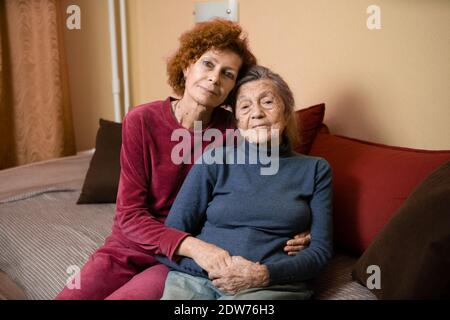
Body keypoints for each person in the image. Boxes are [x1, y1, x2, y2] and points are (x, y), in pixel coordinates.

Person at [56, 19, 309, 300]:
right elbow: (129, 215)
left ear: (232, 89)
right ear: (188, 65)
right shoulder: (142, 120)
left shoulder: (237, 130)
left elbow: (280, 175)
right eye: (208, 64)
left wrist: (306, 225)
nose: (214, 78)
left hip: (182, 259)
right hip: (133, 245)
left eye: (227, 74)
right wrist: (195, 247)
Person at [159, 65, 333, 300]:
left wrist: (263, 274)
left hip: (270, 285)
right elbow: (168, 239)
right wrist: (216, 270)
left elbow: (320, 252)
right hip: (196, 279)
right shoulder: (214, 159)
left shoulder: (315, 169)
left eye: (268, 102)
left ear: (287, 110)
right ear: (237, 119)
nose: (257, 113)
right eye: (245, 106)